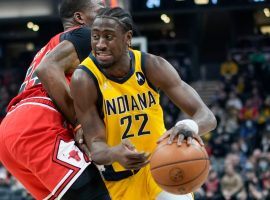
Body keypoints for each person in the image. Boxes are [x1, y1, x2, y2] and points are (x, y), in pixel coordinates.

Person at [70, 7, 217, 200]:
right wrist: (115, 153)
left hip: (161, 165)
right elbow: (96, 146)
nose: (100, 44)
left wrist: (188, 126)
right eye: (95, 36)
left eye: (108, 37)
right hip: (119, 179)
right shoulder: (84, 78)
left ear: (128, 38)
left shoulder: (152, 65)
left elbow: (207, 116)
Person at [0, 0, 111, 199]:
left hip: (13, 130)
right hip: (38, 123)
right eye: (101, 9)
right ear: (80, 18)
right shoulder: (85, 35)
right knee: (97, 194)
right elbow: (47, 70)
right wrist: (78, 124)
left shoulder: (51, 46)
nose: (107, 15)